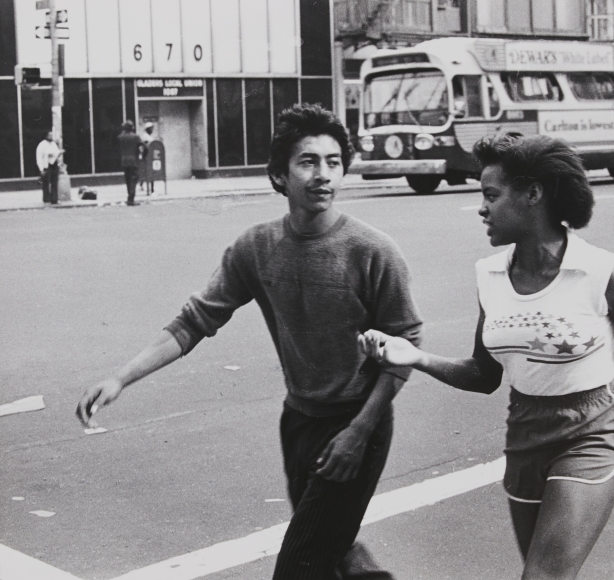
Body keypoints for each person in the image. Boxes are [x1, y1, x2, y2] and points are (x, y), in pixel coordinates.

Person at [77, 104, 422, 580]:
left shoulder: (373, 251)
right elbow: (192, 322)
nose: (323, 175)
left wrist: (359, 434)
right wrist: (119, 378)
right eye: (308, 162)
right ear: (279, 175)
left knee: (300, 563)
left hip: (356, 421)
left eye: (334, 161)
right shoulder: (256, 248)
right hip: (299, 421)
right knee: (333, 550)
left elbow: (405, 345)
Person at [359, 133, 614, 580]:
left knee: (542, 577)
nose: (482, 208)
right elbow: (483, 374)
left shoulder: (606, 273)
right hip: (524, 432)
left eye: (491, 195)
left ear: (533, 194)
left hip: (591, 430)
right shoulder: (488, 274)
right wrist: (414, 356)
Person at [118, 121, 144, 206]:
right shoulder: (136, 137)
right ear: (132, 128)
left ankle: (129, 197)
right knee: (134, 179)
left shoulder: (120, 137)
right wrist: (143, 155)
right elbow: (144, 146)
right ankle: (131, 199)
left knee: (128, 179)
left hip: (124, 161)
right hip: (133, 161)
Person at [36, 131, 60, 204]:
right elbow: (39, 157)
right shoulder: (42, 145)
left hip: (54, 164)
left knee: (54, 182)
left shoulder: (53, 144)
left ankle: (54, 199)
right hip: (46, 165)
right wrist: (41, 168)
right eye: (49, 135)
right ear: (46, 136)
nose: (51, 137)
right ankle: (46, 199)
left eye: (52, 135)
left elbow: (57, 152)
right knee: (46, 182)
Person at [139, 122, 156, 195]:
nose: (152, 130)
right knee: (148, 172)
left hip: (148, 156)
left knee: (146, 172)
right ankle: (150, 188)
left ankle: (142, 185)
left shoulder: (147, 136)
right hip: (146, 156)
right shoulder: (146, 137)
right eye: (151, 129)